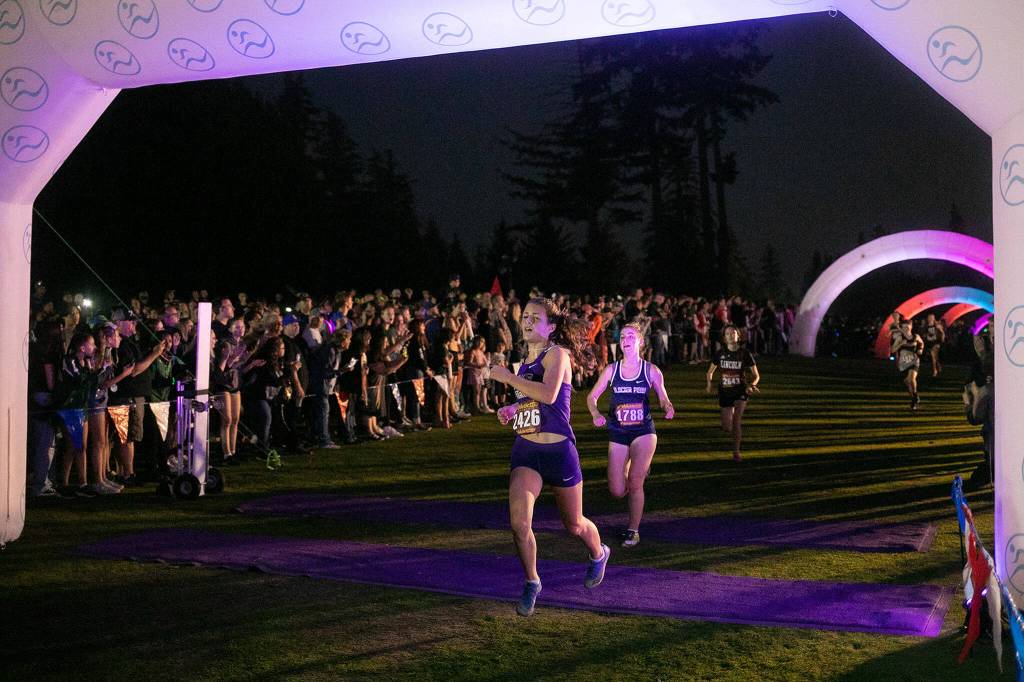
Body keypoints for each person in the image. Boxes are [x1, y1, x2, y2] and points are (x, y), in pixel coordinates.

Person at [491, 298, 610, 617]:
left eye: (535, 317)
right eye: (525, 316)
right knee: (519, 524)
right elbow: (534, 405)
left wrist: (506, 378)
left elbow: (548, 395)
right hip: (527, 451)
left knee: (574, 524)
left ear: (552, 326)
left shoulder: (558, 354)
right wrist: (513, 410)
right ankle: (532, 581)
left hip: (559, 452)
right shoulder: (524, 362)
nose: (527, 321)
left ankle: (598, 553)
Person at [587, 321, 674, 548]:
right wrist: (595, 412)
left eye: (631, 337)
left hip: (644, 431)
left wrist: (667, 406)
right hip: (618, 432)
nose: (625, 340)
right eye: (623, 337)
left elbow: (662, 396)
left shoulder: (651, 370)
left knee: (635, 484)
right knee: (617, 490)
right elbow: (591, 396)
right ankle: (634, 467)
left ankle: (633, 530)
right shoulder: (611, 370)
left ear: (640, 342)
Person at [706, 325, 760, 461]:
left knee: (736, 422)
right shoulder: (720, 353)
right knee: (727, 426)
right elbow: (710, 372)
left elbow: (757, 375)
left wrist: (752, 385)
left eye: (733, 333)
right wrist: (709, 385)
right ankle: (733, 433)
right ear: (724, 338)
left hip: (740, 391)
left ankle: (736, 452)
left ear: (738, 336)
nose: (731, 335)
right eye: (728, 334)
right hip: (725, 392)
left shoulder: (745, 353)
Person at [892, 319, 924, 410]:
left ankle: (915, 395)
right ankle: (913, 399)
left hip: (914, 360)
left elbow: (922, 342)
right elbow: (892, 350)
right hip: (903, 362)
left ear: (911, 327)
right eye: (904, 327)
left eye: (907, 326)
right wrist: (900, 344)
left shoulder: (915, 336)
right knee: (907, 383)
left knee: (912, 378)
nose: (906, 329)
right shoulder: (900, 338)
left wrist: (920, 349)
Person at [923, 313, 945, 377]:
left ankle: (935, 370)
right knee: (935, 357)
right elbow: (924, 334)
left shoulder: (937, 325)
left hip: (936, 342)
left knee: (933, 356)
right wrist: (926, 336)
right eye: (929, 318)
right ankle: (938, 365)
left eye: (931, 317)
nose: (930, 319)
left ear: (933, 318)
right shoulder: (926, 326)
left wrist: (942, 339)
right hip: (929, 342)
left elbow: (942, 333)